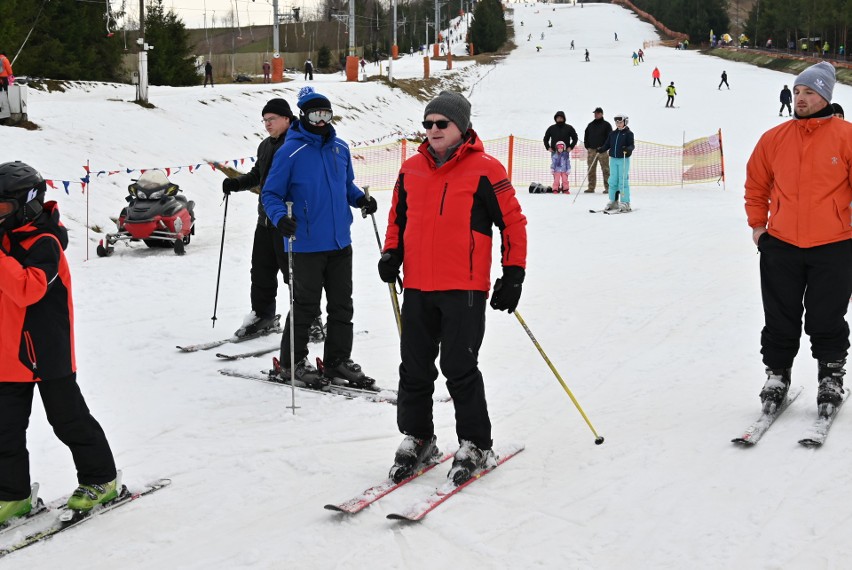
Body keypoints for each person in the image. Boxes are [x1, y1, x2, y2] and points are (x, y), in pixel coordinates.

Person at [379, 90, 527, 486]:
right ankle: (420, 437)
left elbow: (512, 223)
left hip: (464, 287)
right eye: (427, 124)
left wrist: (512, 274)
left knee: (459, 367)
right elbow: (399, 217)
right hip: (418, 286)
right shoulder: (410, 170)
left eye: (441, 123)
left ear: (461, 126)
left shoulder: (486, 170)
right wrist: (391, 252)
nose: (432, 130)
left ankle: (476, 443)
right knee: (414, 368)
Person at [0, 161, 119, 524]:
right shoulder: (4, 240)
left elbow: (27, 288)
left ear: (27, 203)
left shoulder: (46, 242)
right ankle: (12, 495)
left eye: (2, 207)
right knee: (4, 429)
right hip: (7, 354)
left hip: (47, 351)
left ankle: (102, 479)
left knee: (69, 421)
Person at [745, 61, 852, 419]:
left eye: (808, 92)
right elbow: (757, 186)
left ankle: (830, 376)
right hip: (781, 245)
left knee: (827, 317)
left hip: (834, 245)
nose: (800, 98)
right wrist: (759, 228)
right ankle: (777, 375)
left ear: (824, 96)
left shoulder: (846, 136)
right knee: (779, 317)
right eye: (797, 92)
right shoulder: (773, 139)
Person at [261, 87, 377, 389]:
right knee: (306, 307)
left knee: (342, 306)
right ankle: (291, 363)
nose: (322, 119)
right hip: (306, 244)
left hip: (340, 242)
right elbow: (271, 193)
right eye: (316, 114)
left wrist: (360, 200)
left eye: (326, 113)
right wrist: (279, 218)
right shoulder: (290, 150)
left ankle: (337, 360)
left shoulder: (340, 148)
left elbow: (345, 186)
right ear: (304, 115)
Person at [222, 98, 324, 341]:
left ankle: (311, 319)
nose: (267, 124)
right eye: (265, 120)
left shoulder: (299, 144)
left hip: (289, 222)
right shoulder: (266, 146)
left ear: (287, 119)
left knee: (295, 275)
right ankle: (262, 316)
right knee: (261, 272)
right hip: (265, 221)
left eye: (272, 119)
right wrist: (237, 183)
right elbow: (259, 174)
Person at [597, 114, 634, 212]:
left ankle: (625, 202)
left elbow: (631, 145)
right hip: (613, 159)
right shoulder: (612, 134)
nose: (618, 124)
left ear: (625, 122)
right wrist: (601, 149)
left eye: (620, 122)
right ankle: (613, 200)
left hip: (623, 159)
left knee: (622, 180)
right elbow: (607, 144)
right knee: (612, 180)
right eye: (617, 122)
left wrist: (628, 149)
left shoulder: (628, 133)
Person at [583, 107, 613, 194]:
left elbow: (610, 138)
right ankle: (591, 187)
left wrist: (604, 147)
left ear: (602, 114)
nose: (596, 115)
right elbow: (586, 135)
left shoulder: (607, 125)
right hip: (592, 150)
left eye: (598, 113)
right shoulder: (590, 125)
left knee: (606, 169)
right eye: (595, 113)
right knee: (591, 169)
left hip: (602, 151)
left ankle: (608, 188)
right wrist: (587, 146)